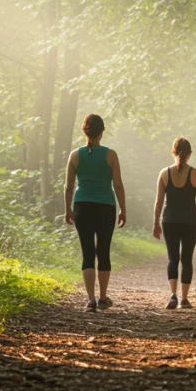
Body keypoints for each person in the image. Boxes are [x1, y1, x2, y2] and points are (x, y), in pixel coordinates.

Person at [64, 114, 127, 312]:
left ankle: (90, 299)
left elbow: (68, 186)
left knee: (88, 252)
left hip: (82, 205)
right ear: (102, 132)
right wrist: (123, 209)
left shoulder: (75, 155)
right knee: (104, 251)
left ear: (85, 131)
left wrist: (68, 208)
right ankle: (102, 297)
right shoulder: (111, 155)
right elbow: (117, 185)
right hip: (105, 207)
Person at [152, 137, 196, 310]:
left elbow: (159, 202)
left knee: (173, 258)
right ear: (190, 154)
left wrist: (155, 223)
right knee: (187, 259)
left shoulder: (164, 173)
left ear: (173, 152)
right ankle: (185, 299)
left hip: (169, 220)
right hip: (191, 221)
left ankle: (173, 295)